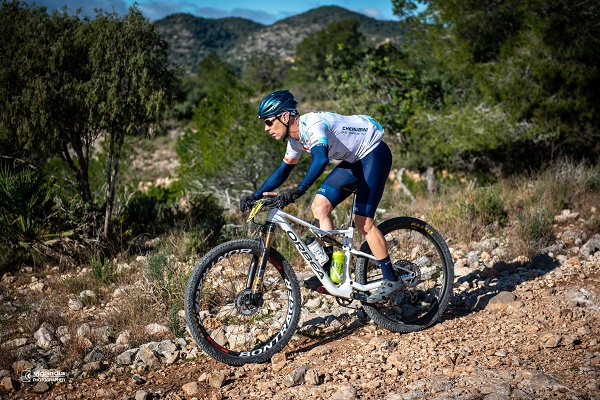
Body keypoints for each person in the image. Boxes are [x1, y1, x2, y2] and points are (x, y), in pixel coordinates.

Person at [239, 90, 402, 302]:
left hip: (373, 153)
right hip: (354, 161)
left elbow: (320, 159)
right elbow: (282, 172)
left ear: (285, 117)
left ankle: (391, 278)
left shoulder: (313, 125)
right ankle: (331, 271)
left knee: (363, 221)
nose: (266, 128)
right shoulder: (295, 140)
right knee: (319, 206)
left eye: (269, 122)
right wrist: (255, 195)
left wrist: (300, 189)